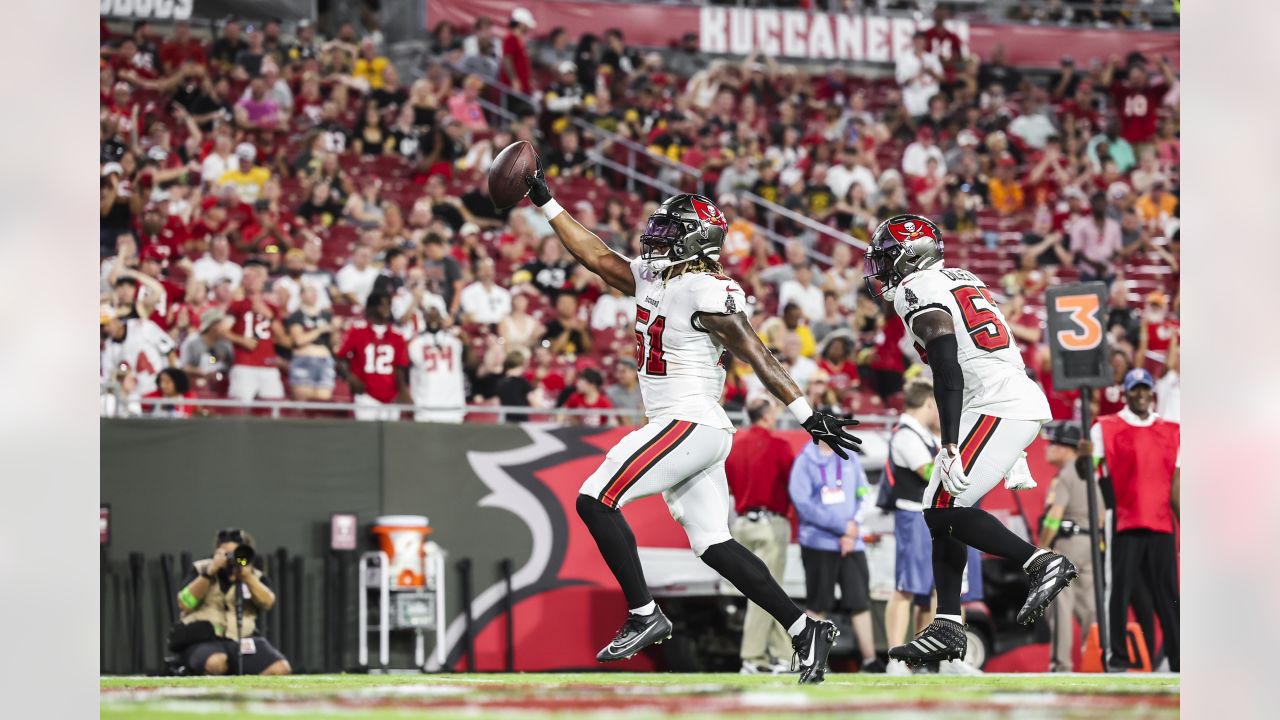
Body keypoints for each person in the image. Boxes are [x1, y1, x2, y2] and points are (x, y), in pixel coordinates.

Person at [522, 172, 860, 684]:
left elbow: (758, 355)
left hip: (690, 420)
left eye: (669, 228)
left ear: (694, 240)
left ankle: (643, 613)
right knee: (713, 544)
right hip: (684, 425)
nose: (656, 234)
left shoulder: (708, 290)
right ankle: (802, 628)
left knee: (595, 497)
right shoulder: (655, 277)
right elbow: (593, 254)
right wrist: (544, 200)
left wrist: (807, 415)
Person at [863, 214, 1074, 667]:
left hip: (996, 402)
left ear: (910, 256)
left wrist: (950, 442)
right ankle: (948, 624)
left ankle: (1039, 561)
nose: (881, 269)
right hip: (1006, 395)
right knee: (944, 505)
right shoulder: (961, 277)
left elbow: (947, 366)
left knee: (939, 505)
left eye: (886, 258)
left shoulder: (915, 288)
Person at [1089, 368, 1180, 672]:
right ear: (1126, 393)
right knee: (1119, 590)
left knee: (1168, 593)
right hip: (1125, 519)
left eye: (1145, 389)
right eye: (1135, 390)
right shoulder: (1106, 427)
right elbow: (1093, 473)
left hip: (1161, 521)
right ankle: (1116, 658)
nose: (1141, 395)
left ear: (1152, 392)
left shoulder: (1172, 430)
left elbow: (1176, 484)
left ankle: (1179, 656)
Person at [789, 425, 882, 673]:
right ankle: (814, 661)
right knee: (818, 604)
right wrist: (842, 528)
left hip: (852, 542)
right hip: (819, 543)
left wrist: (854, 527)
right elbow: (803, 505)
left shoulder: (850, 457)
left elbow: (863, 493)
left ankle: (870, 660)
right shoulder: (804, 461)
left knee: (860, 601)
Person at [724, 398, 796, 675]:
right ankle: (753, 658)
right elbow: (793, 485)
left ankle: (780, 656)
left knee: (765, 592)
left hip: (741, 525)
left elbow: (729, 487)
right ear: (766, 416)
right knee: (768, 593)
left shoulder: (735, 447)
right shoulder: (779, 446)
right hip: (770, 524)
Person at [882, 379, 941, 675]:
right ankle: (895, 656)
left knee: (927, 590)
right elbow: (929, 472)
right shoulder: (906, 435)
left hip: (926, 516)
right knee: (905, 588)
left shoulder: (921, 434)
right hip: (912, 516)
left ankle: (918, 656)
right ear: (929, 402)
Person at [172, 528, 290, 675]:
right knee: (216, 663)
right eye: (225, 554)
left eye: (236, 554)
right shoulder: (201, 569)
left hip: (241, 639)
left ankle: (247, 695)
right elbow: (184, 603)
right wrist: (209, 573)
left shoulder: (255, 576)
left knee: (280, 668)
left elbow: (268, 602)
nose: (230, 559)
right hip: (205, 639)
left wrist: (247, 577)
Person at [1039, 421, 1104, 673]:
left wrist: (1043, 547)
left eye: (1052, 443)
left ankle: (1061, 665)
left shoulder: (1066, 474)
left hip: (1068, 543)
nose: (1048, 448)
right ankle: (1095, 661)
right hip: (1092, 545)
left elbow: (1055, 516)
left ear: (1066, 448)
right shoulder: (1091, 473)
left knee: (1060, 606)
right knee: (1090, 609)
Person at [337, 292, 410, 421]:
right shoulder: (358, 331)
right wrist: (350, 377)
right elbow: (341, 358)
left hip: (391, 396)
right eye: (382, 305)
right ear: (372, 307)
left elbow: (399, 368)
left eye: (389, 305)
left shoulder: (397, 336)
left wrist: (403, 391)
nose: (386, 309)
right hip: (365, 396)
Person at [222, 264, 286, 403]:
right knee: (239, 409)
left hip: (268, 364)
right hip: (244, 363)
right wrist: (241, 340)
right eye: (246, 278)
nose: (250, 281)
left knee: (274, 407)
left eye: (254, 278)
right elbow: (223, 330)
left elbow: (282, 339)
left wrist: (269, 316)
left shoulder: (272, 308)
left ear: (262, 281)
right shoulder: (237, 305)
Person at [407, 307, 467, 423]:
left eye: (436, 315)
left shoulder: (455, 340)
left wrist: (462, 337)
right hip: (424, 406)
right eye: (430, 315)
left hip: (452, 406)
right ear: (424, 318)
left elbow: (471, 361)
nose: (433, 318)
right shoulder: (415, 343)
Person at [286, 284, 338, 402]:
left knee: (323, 405)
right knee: (303, 404)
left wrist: (335, 330)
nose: (314, 294)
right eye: (310, 291)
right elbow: (299, 340)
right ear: (302, 295)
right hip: (304, 360)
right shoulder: (296, 315)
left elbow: (334, 343)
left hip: (325, 360)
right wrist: (320, 330)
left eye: (315, 292)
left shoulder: (326, 315)